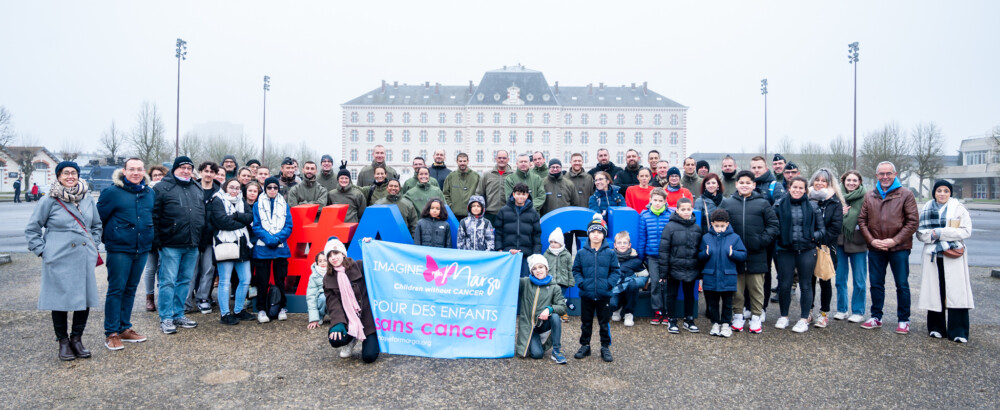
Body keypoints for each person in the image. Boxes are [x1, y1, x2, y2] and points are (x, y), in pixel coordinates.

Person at [25, 161, 102, 360]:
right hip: (58, 257)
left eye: (74, 172)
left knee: (84, 299)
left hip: (83, 256)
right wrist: (43, 251)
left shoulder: (87, 198)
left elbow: (96, 225)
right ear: (58, 176)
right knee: (58, 300)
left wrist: (94, 245)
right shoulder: (49, 199)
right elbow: (32, 228)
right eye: (66, 173)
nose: (70, 176)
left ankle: (77, 339)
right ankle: (63, 341)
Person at [97, 158, 153, 350]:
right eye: (132, 169)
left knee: (130, 289)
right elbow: (99, 220)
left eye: (139, 169)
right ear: (124, 171)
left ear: (144, 171)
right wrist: (111, 239)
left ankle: (124, 328)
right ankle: (111, 332)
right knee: (116, 289)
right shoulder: (112, 192)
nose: (136, 173)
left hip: (142, 248)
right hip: (120, 249)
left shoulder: (149, 193)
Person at [858, 161, 919, 334]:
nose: (885, 177)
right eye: (881, 174)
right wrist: (871, 241)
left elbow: (912, 222)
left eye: (888, 173)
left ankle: (903, 320)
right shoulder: (870, 195)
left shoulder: (906, 194)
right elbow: (862, 221)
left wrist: (894, 241)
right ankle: (876, 317)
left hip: (899, 249)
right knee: (876, 284)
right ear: (877, 175)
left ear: (895, 174)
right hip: (876, 248)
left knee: (902, 285)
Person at [721, 170, 778, 334]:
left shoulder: (763, 203)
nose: (744, 185)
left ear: (754, 185)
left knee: (756, 289)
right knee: (736, 289)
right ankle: (737, 315)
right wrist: (728, 243)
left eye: (748, 182)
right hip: (735, 255)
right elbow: (718, 223)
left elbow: (773, 225)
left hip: (757, 253)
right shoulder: (728, 203)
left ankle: (756, 317)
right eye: (741, 182)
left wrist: (762, 241)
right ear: (736, 184)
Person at [916, 180, 974, 344]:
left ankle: (958, 330)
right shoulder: (926, 208)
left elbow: (965, 231)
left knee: (956, 292)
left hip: (953, 255)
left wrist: (940, 233)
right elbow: (921, 234)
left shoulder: (959, 209)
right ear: (934, 192)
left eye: (946, 191)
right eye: (939, 190)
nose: (942, 194)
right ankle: (936, 327)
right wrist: (934, 235)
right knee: (935, 291)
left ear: (950, 193)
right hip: (933, 256)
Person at [152, 156, 205, 334]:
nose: (186, 171)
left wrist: (200, 238)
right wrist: (157, 240)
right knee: (168, 282)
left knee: (185, 281)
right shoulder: (162, 188)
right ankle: (166, 317)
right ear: (175, 169)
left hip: (192, 243)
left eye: (189, 168)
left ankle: (178, 313)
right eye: (182, 167)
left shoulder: (196, 187)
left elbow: (201, 215)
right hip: (171, 244)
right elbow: (155, 215)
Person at [772, 177, 825, 333]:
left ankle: (803, 319)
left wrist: (811, 236)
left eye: (801, 188)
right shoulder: (778, 205)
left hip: (807, 250)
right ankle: (784, 316)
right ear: (789, 188)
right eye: (795, 187)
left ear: (805, 190)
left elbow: (822, 230)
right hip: (785, 250)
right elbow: (773, 226)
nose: (797, 190)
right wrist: (780, 236)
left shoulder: (813, 206)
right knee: (785, 284)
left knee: (806, 284)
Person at [572, 214, 620, 363]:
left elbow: (615, 271)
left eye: (599, 232)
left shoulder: (610, 253)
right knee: (586, 322)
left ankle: (605, 347)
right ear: (588, 234)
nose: (596, 235)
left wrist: (608, 284)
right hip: (586, 294)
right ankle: (585, 346)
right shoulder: (581, 253)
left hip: (603, 295)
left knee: (604, 323)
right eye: (593, 232)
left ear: (603, 234)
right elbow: (576, 270)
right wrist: (582, 283)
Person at [208, 178, 255, 325]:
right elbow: (222, 222)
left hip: (242, 244)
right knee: (224, 281)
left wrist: (235, 216)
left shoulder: (242, 201)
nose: (234, 190)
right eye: (231, 187)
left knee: (245, 279)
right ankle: (225, 313)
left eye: (237, 188)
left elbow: (250, 217)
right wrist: (241, 221)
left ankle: (238, 310)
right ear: (225, 187)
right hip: (226, 244)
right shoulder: (217, 200)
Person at [325, 238, 380, 362]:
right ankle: (351, 339)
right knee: (335, 339)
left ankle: (372, 338)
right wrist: (338, 323)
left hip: (366, 318)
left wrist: (372, 245)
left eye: (336, 253)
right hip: (348, 320)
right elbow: (332, 303)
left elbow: (377, 263)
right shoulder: (328, 277)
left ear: (343, 254)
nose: (333, 258)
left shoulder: (359, 266)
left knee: (369, 357)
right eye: (330, 256)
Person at [699, 209, 747, 338]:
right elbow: (699, 255)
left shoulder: (735, 238)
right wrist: (706, 253)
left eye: (722, 226)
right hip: (711, 275)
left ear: (727, 224)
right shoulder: (706, 238)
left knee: (727, 302)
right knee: (712, 302)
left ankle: (726, 324)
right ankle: (715, 323)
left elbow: (743, 254)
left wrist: (733, 253)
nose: (719, 228)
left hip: (727, 276)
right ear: (712, 224)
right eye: (716, 226)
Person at [251, 176, 293, 324]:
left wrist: (277, 239)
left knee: (280, 279)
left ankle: (282, 307)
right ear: (265, 188)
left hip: (280, 248)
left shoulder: (284, 204)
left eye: (275, 187)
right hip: (263, 249)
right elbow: (256, 226)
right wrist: (269, 239)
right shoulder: (257, 205)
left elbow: (289, 226)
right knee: (262, 281)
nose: (273, 190)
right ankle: (261, 308)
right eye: (269, 187)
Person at [658, 198, 702, 334]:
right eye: (683, 209)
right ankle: (671, 319)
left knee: (690, 295)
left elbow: (699, 250)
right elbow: (664, 250)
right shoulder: (670, 227)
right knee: (672, 294)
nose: (686, 212)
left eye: (689, 209)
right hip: (674, 268)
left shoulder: (697, 228)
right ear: (677, 210)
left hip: (691, 268)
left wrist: (699, 271)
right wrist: (663, 273)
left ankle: (689, 320)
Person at [808, 168, 844, 328]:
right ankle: (808, 311)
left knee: (825, 281)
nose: (820, 183)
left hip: (826, 247)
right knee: (808, 282)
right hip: (808, 247)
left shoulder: (835, 202)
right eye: (817, 180)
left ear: (829, 184)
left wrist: (817, 238)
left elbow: (835, 228)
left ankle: (824, 314)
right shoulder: (806, 198)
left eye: (823, 181)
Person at [516, 254, 568, 363]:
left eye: (541, 267)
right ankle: (534, 341)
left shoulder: (555, 287)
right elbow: (510, 278)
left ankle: (557, 351)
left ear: (546, 268)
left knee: (555, 317)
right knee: (537, 354)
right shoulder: (525, 283)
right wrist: (510, 256)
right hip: (530, 327)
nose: (538, 270)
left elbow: (562, 307)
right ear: (531, 271)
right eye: (534, 268)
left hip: (544, 325)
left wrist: (549, 309)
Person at [186, 162, 221, 315]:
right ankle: (186, 301)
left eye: (212, 171)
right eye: (205, 171)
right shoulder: (191, 189)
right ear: (200, 172)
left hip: (210, 237)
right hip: (192, 237)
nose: (208, 174)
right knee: (190, 272)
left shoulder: (219, 192)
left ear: (215, 174)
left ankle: (203, 298)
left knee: (208, 269)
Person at [834, 170, 868, 323]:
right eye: (848, 180)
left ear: (860, 182)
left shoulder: (866, 197)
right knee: (840, 278)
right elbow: (829, 216)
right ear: (843, 181)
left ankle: (858, 311)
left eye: (855, 180)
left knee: (859, 280)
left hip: (858, 241)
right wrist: (839, 213)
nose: (851, 183)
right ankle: (842, 309)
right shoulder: (836, 196)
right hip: (840, 240)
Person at [637, 188, 671, 325]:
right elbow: (642, 237)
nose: (657, 203)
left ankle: (668, 311)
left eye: (660, 201)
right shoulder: (644, 215)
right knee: (655, 282)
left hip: (667, 256)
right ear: (650, 200)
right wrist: (640, 256)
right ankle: (657, 310)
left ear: (665, 202)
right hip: (652, 256)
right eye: (655, 200)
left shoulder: (670, 215)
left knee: (668, 284)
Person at [495, 183, 542, 277]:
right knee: (508, 280)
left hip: (526, 254)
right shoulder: (503, 211)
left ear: (527, 195)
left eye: (523, 194)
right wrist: (499, 249)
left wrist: (536, 254)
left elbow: (536, 235)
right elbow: (498, 232)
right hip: (508, 253)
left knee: (524, 281)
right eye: (518, 194)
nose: (521, 196)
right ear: (513, 194)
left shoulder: (533, 213)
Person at [142, 165, 170, 311]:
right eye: (155, 175)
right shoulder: (147, 191)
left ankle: (163, 295)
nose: (158, 177)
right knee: (151, 267)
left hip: (164, 233)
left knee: (163, 267)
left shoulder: (168, 191)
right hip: (150, 232)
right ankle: (149, 297)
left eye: (161, 175)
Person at [610, 231, 647, 328]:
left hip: (629, 289)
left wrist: (634, 282)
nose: (622, 245)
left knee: (632, 285)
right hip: (615, 288)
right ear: (615, 245)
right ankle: (617, 308)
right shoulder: (609, 258)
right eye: (619, 243)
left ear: (629, 245)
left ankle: (628, 313)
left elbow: (645, 276)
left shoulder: (635, 260)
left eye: (625, 243)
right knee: (611, 304)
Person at [543, 227, 574, 323]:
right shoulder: (547, 254)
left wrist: (571, 280)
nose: (552, 244)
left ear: (560, 243)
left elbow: (570, 269)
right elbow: (544, 268)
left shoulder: (566, 254)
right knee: (550, 297)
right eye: (551, 242)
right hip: (550, 281)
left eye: (555, 242)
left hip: (562, 281)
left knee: (562, 298)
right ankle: (550, 311)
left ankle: (563, 312)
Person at [475, 150, 512, 225]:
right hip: (489, 214)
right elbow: (479, 193)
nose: (502, 160)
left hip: (508, 214)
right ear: (496, 159)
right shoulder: (487, 175)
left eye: (504, 158)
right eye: (499, 158)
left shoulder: (513, 176)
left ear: (508, 159)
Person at [442, 153, 480, 219]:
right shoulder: (451, 176)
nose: (462, 163)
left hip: (471, 214)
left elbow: (480, 193)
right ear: (457, 161)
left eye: (464, 161)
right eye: (460, 161)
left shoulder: (476, 176)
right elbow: (445, 193)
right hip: (454, 214)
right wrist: (451, 206)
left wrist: (475, 207)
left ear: (468, 161)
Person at [306, 251, 328, 330]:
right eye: (320, 261)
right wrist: (314, 319)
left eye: (325, 260)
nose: (322, 263)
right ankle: (319, 316)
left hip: (335, 303)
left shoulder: (336, 273)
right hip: (322, 302)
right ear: (316, 262)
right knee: (323, 297)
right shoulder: (314, 277)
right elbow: (311, 297)